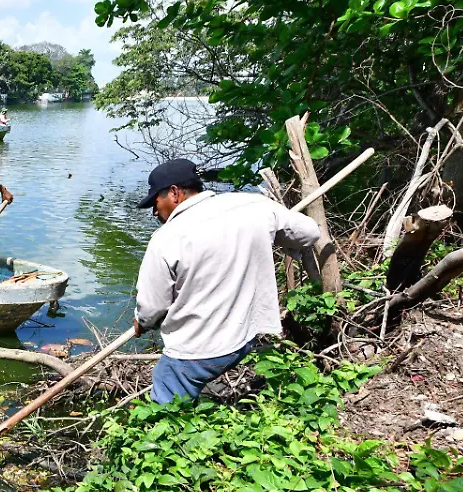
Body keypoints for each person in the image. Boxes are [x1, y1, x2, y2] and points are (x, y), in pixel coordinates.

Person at [132, 158, 321, 405]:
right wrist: (268, 235)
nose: (155, 212)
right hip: (247, 336)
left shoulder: (165, 239)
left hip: (198, 351)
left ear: (175, 193)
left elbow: (152, 307)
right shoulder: (254, 204)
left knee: (166, 390)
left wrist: (142, 323)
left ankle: (171, 438)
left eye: (155, 202)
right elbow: (309, 233)